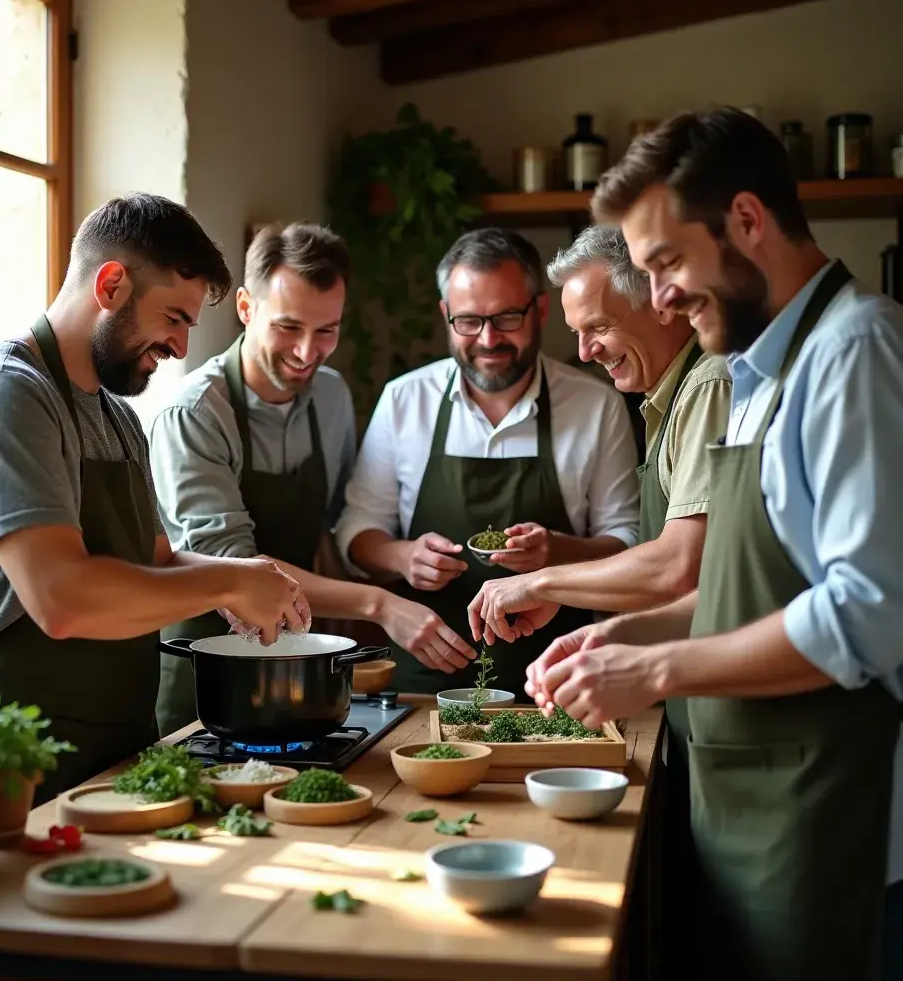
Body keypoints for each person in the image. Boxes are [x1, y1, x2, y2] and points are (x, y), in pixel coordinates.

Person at [526, 108, 903, 980]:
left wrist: (657, 671)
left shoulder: (855, 351)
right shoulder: (763, 371)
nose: (657, 296)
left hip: (831, 820)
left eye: (666, 264)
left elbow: (867, 616)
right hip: (754, 805)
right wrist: (628, 635)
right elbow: (756, 589)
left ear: (746, 221)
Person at [0, 194, 308, 802]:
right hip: (16, 752)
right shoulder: (4, 396)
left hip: (120, 747)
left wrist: (244, 573)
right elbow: (60, 598)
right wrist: (226, 586)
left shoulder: (119, 417)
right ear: (110, 284)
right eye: (174, 318)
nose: (182, 347)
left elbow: (155, 562)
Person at [150, 223, 472, 736]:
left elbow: (328, 530)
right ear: (245, 308)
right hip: (208, 672)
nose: (307, 352)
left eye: (327, 331)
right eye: (288, 327)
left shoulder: (332, 396)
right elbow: (235, 568)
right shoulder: (193, 413)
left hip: (297, 662)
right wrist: (379, 606)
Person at [335, 227, 640, 697]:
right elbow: (356, 531)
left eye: (507, 318)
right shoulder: (404, 401)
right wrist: (403, 556)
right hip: (423, 686)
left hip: (558, 682)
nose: (488, 339)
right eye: (469, 321)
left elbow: (630, 543)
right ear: (445, 315)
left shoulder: (594, 405)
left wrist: (557, 550)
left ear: (540, 310)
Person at [467, 224, 730, 642]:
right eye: (578, 333)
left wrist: (541, 582)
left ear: (661, 304)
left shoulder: (708, 385)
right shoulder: (668, 393)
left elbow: (679, 566)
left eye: (599, 327)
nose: (586, 352)